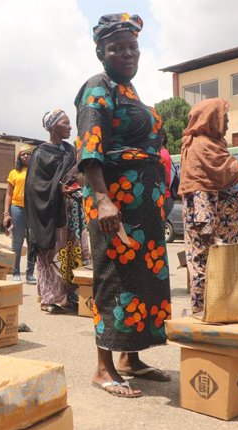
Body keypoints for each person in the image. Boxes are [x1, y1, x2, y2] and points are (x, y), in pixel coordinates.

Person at [75, 13, 171, 398]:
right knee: (113, 275)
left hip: (144, 206)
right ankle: (103, 368)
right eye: (117, 47)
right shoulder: (98, 89)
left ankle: (131, 358)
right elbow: (90, 148)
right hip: (114, 200)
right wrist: (102, 199)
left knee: (141, 279)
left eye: (133, 47)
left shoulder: (131, 92)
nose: (127, 53)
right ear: (101, 51)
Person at [180, 98, 238, 313]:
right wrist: (207, 229)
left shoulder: (217, 146)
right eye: (223, 118)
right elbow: (199, 188)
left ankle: (223, 314)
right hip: (209, 227)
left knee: (224, 271)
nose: (227, 123)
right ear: (211, 119)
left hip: (227, 227)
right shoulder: (198, 148)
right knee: (206, 269)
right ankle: (204, 318)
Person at [25, 109, 77, 313]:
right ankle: (49, 297)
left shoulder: (70, 150)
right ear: (54, 126)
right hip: (48, 213)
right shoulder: (41, 152)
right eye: (66, 123)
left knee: (68, 252)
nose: (70, 127)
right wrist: (57, 189)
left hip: (69, 211)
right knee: (49, 254)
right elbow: (34, 186)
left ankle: (68, 295)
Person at [3, 148, 36, 283]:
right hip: (17, 209)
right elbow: (8, 194)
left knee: (32, 242)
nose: (26, 156)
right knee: (17, 242)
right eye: (23, 154)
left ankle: (30, 273)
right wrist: (6, 213)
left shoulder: (37, 172)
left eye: (28, 154)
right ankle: (15, 272)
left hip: (33, 209)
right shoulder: (14, 173)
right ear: (19, 157)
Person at [159, 132, 174, 218]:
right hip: (165, 195)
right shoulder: (164, 152)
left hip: (163, 196)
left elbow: (164, 174)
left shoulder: (162, 153)